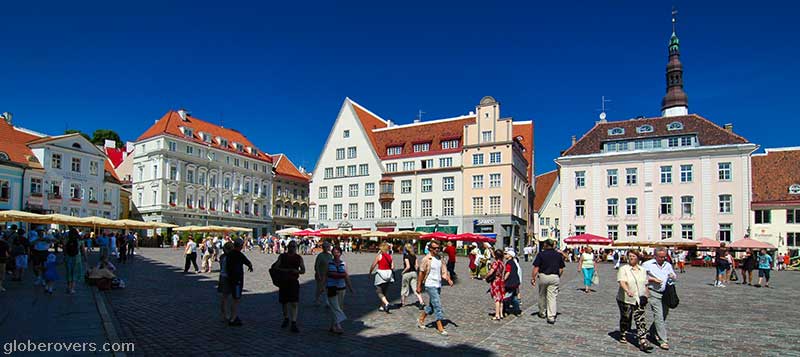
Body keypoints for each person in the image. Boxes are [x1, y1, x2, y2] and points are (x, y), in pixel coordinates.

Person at [616, 250, 653, 352]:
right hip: (625, 299)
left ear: (638, 258)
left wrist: (647, 294)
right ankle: (623, 333)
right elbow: (622, 281)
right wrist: (627, 290)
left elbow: (645, 283)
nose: (631, 258)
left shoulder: (642, 270)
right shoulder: (624, 269)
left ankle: (642, 340)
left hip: (639, 298)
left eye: (633, 256)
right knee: (626, 318)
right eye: (630, 256)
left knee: (640, 319)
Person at [417, 240, 453, 335]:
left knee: (432, 307)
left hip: (438, 284)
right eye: (435, 248)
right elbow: (421, 272)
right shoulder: (426, 259)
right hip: (429, 284)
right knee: (437, 304)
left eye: (438, 248)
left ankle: (421, 319)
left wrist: (448, 280)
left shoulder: (440, 258)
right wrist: (419, 285)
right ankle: (440, 326)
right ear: (430, 249)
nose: (437, 249)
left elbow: (444, 271)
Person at [643, 247, 676, 350]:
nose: (663, 259)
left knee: (664, 314)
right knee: (659, 316)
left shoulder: (668, 265)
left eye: (664, 257)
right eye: (660, 257)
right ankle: (663, 340)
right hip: (653, 292)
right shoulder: (647, 264)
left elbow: (674, 276)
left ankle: (652, 332)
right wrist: (652, 279)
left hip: (665, 293)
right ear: (655, 256)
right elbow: (641, 277)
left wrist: (672, 276)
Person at [320, 246, 354, 334]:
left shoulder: (344, 264)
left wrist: (350, 287)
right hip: (331, 287)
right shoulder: (329, 263)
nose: (336, 254)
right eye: (334, 252)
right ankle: (338, 326)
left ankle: (333, 326)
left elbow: (346, 276)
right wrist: (321, 287)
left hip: (342, 288)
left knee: (339, 307)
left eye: (338, 252)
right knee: (335, 307)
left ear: (340, 253)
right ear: (332, 253)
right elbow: (324, 276)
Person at [273, 241, 305, 333]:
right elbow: (275, 267)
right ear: (288, 247)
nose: (292, 248)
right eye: (291, 246)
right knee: (284, 302)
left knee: (294, 302)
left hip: (293, 282)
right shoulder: (282, 256)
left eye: (294, 247)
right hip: (283, 282)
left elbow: (303, 270)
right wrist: (285, 270)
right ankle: (286, 318)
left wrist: (296, 271)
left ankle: (294, 322)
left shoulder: (298, 258)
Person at [531, 240, 564, 324]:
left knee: (542, 295)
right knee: (552, 297)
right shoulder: (558, 255)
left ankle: (542, 312)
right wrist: (557, 276)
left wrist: (533, 278)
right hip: (554, 276)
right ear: (553, 245)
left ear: (545, 245)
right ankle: (551, 316)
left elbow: (536, 267)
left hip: (543, 276)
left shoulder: (541, 254)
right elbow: (561, 268)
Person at [225, 239, 253, 326]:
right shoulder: (238, 254)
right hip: (237, 279)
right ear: (240, 246)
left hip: (231, 278)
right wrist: (250, 266)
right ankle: (233, 318)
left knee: (234, 298)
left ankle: (233, 316)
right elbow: (248, 262)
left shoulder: (230, 254)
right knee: (236, 299)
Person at [368, 242, 394, 313]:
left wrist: (370, 272)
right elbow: (393, 267)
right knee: (384, 291)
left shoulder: (379, 256)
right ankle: (382, 307)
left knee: (379, 291)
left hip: (380, 275)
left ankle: (386, 303)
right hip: (388, 275)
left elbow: (373, 265)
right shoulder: (390, 256)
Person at [401, 243, 424, 308]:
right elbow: (417, 266)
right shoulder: (414, 256)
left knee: (404, 288)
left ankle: (403, 303)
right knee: (415, 288)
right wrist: (415, 271)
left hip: (407, 273)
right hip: (414, 273)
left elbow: (407, 266)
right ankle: (421, 301)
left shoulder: (406, 256)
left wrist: (403, 272)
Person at [486, 249, 506, 320]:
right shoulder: (502, 263)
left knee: (496, 298)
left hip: (496, 281)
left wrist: (487, 275)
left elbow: (491, 271)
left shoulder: (495, 263)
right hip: (501, 281)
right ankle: (501, 314)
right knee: (501, 298)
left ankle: (497, 315)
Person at [64, 228, 84, 294]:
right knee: (74, 273)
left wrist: (64, 256)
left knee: (69, 272)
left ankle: (68, 287)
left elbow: (64, 249)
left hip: (68, 258)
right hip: (77, 258)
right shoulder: (80, 240)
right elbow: (83, 250)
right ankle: (72, 288)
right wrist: (85, 258)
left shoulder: (66, 240)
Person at [503, 250, 522, 316]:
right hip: (515, 282)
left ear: (510, 256)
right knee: (514, 296)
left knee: (506, 297)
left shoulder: (509, 263)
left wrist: (503, 279)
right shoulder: (514, 263)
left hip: (510, 282)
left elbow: (508, 272)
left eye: (506, 254)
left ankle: (505, 310)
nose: (505, 255)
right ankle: (517, 310)